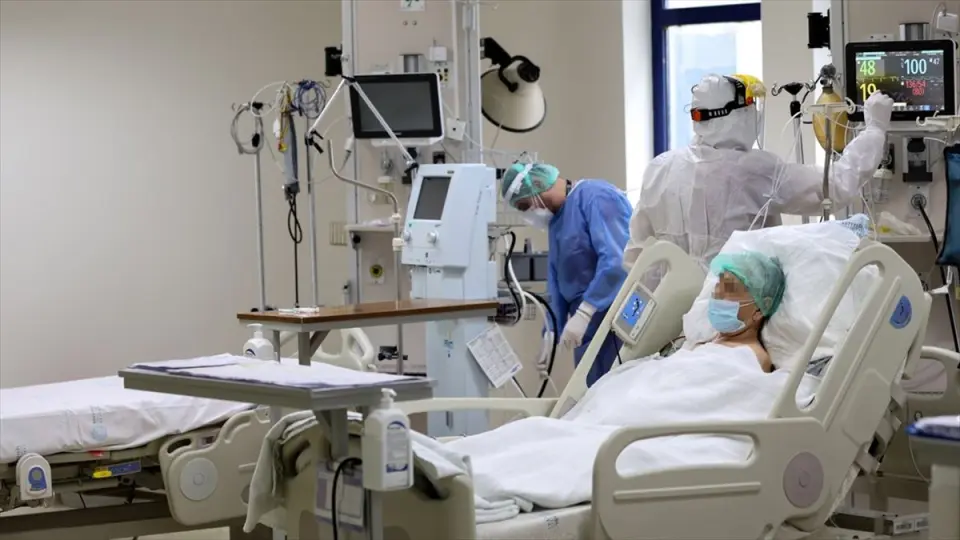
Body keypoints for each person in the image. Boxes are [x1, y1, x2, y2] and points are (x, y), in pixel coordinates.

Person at [624, 73, 895, 284]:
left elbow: (636, 256)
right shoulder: (752, 170)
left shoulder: (660, 167)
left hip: (669, 316)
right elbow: (835, 185)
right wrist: (875, 129)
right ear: (738, 116)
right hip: (735, 314)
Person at [501, 162, 632, 387]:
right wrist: (551, 330)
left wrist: (586, 311)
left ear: (537, 185)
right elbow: (557, 278)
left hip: (615, 320)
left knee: (617, 391)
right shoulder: (557, 220)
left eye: (525, 206)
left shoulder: (596, 197)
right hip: (588, 331)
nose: (528, 215)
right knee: (590, 393)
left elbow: (618, 261)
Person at [699, 251, 786, 373]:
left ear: (759, 310)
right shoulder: (709, 344)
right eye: (718, 285)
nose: (717, 294)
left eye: (729, 288)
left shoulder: (753, 357)